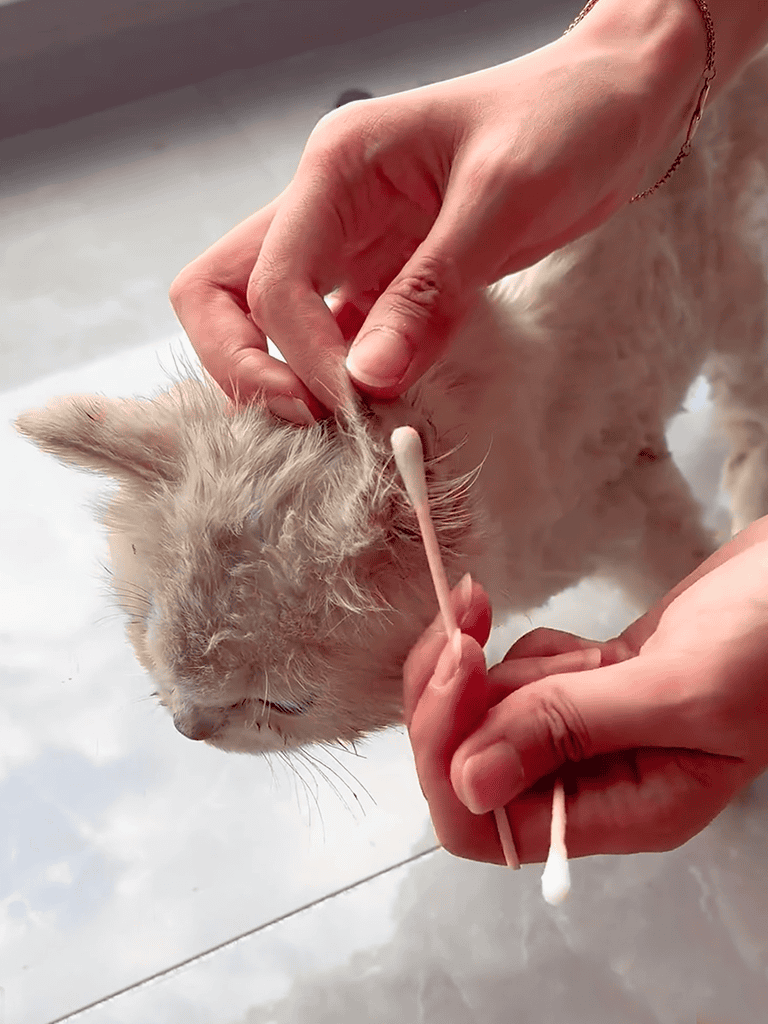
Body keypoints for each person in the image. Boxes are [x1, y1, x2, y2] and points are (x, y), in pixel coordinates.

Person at [169, 0, 768, 863]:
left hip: (709, 173)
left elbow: (635, 501)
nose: (189, 731)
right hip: (663, 117)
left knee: (747, 314)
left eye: (287, 702)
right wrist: (640, 52)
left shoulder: (536, 508)